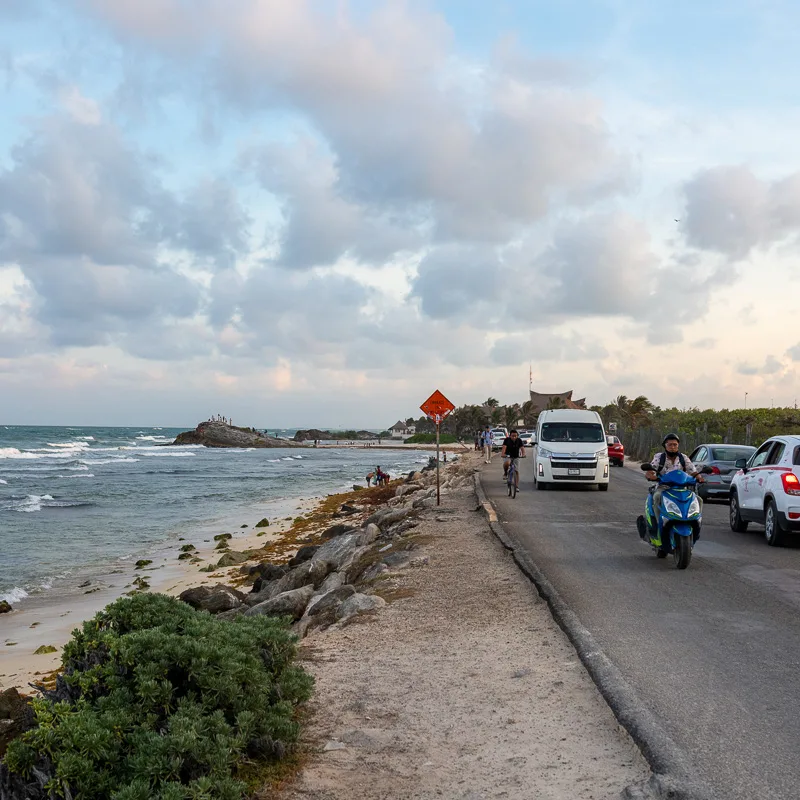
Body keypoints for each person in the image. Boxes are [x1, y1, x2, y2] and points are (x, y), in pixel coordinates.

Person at [645, 433, 705, 525]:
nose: (672, 447)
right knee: (657, 497)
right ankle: (658, 523)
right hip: (664, 488)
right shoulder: (659, 457)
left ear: (678, 446)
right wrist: (650, 475)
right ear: (665, 446)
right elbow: (651, 469)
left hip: (682, 489)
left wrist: (699, 477)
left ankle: (696, 523)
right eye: (670, 445)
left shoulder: (683, 458)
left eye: (675, 445)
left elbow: (692, 470)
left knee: (698, 500)